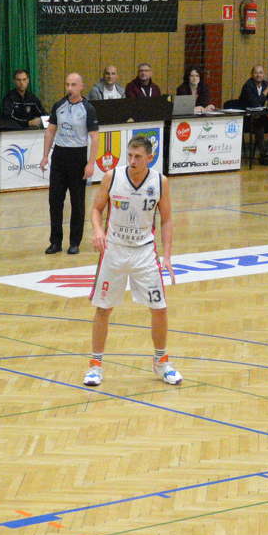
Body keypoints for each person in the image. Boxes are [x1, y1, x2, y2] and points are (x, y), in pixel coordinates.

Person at [83, 136, 180, 388]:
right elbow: (96, 209)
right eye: (129, 156)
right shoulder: (112, 177)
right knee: (103, 309)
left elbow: (167, 219)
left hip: (144, 252)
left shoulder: (160, 182)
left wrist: (167, 255)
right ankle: (95, 365)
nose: (132, 161)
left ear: (150, 158)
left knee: (159, 308)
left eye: (138, 156)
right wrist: (98, 230)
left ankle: (161, 362)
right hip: (114, 250)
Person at [40, 73, 99, 255]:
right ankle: (55, 242)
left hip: (78, 156)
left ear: (81, 86)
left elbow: (95, 138)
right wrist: (45, 156)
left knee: (77, 202)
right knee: (55, 201)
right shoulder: (59, 105)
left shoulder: (88, 108)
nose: (70, 88)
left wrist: (90, 163)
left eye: (73, 85)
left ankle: (75, 242)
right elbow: (50, 131)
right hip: (59, 155)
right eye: (67, 84)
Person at [236, 64, 268, 165]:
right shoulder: (248, 86)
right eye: (256, 73)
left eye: (261, 73)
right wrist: (267, 90)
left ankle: (267, 152)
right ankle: (264, 155)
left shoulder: (265, 84)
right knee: (259, 126)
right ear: (252, 74)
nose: (258, 75)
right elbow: (255, 104)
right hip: (247, 119)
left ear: (263, 75)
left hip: (260, 117)